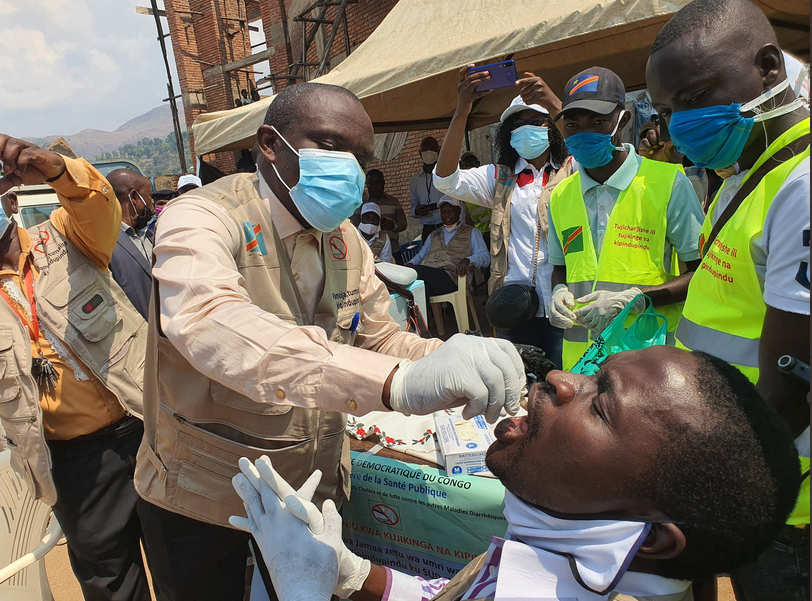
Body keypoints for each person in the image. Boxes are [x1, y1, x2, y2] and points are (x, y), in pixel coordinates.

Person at [133, 82, 525, 601]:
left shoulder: (345, 239)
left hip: (309, 492)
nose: (349, 168)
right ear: (269, 144)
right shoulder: (204, 216)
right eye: (330, 145)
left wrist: (451, 358)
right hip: (203, 493)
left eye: (360, 157)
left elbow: (381, 341)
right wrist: (399, 383)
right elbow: (207, 320)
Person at [232, 346, 803, 601]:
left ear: (650, 536)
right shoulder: (560, 560)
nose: (560, 379)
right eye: (594, 375)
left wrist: (301, 591)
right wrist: (350, 572)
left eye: (601, 405)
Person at [646, 0, 810, 598]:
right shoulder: (751, 174)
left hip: (784, 493)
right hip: (752, 465)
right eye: (666, 112)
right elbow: (734, 275)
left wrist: (697, 484)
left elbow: (794, 387)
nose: (678, 126)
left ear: (769, 67)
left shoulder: (803, 186)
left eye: (693, 97)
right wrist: (650, 298)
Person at [0, 136, 150, 600]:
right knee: (111, 584)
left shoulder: (65, 235)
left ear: (8, 200)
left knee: (188, 563)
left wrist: (55, 168)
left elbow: (97, 202)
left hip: (152, 428)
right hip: (77, 463)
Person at [546, 67, 705, 370]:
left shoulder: (667, 183)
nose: (583, 133)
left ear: (623, 120)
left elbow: (700, 273)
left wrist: (634, 299)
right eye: (572, 124)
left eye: (598, 121)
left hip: (646, 361)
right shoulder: (561, 194)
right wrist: (558, 291)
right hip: (582, 365)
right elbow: (560, 268)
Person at [434, 66, 575, 367]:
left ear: (551, 127)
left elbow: (595, 153)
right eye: (518, 124)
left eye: (537, 122)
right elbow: (445, 180)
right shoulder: (500, 179)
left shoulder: (574, 170)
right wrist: (462, 110)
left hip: (565, 302)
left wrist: (556, 106)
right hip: (515, 305)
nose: (527, 128)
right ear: (508, 135)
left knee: (570, 383)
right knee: (523, 387)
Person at [406, 196, 489, 299]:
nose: (447, 215)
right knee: (419, 291)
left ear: (459, 211)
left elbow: (485, 257)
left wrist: (468, 260)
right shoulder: (433, 234)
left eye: (451, 211)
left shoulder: (472, 232)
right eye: (443, 212)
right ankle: (429, 314)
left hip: (453, 278)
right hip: (431, 276)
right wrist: (409, 265)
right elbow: (420, 256)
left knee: (418, 273)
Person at [107, 169, 155, 320]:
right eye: (149, 195)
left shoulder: (150, 236)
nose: (152, 202)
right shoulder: (108, 244)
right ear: (134, 197)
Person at [351, 169, 407, 263]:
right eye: (371, 184)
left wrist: (393, 225)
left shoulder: (393, 202)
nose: (375, 187)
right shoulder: (360, 203)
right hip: (365, 247)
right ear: (367, 184)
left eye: (378, 183)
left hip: (392, 247)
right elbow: (353, 224)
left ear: (383, 183)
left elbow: (404, 223)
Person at [410, 136, 446, 242]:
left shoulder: (445, 175)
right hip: (428, 227)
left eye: (432, 150)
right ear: (420, 153)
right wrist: (417, 211)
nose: (428, 153)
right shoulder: (415, 180)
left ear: (438, 151)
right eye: (425, 151)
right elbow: (413, 207)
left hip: (446, 224)